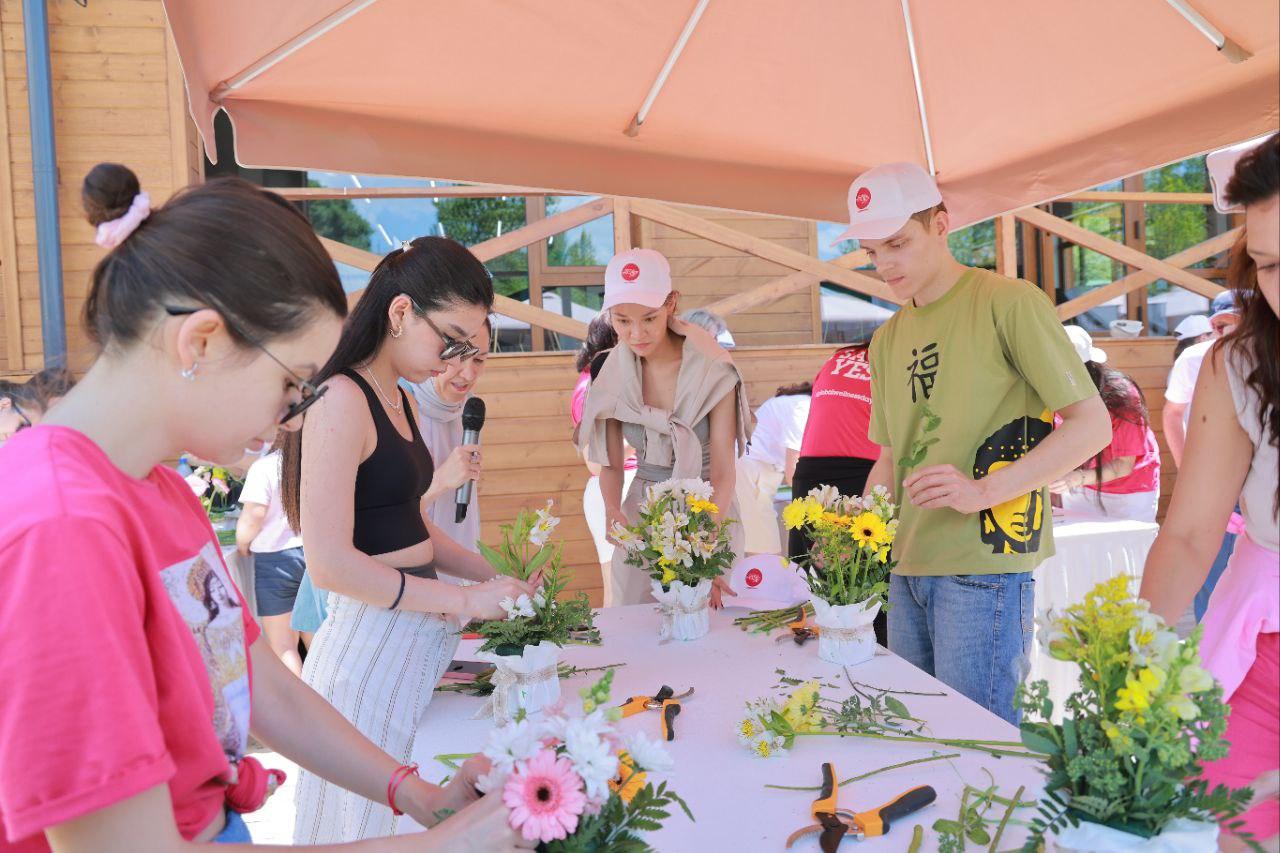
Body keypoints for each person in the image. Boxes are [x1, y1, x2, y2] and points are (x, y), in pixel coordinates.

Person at [0, 164, 527, 850]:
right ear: (203, 341)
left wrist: (415, 794)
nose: (292, 413)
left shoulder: (154, 488)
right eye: (294, 383)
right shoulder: (60, 529)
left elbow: (256, 680)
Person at [281, 236, 535, 844]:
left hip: (410, 642)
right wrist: (468, 601)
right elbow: (331, 565)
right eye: (450, 340)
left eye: (471, 350)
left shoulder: (395, 396)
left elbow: (408, 527)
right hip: (367, 649)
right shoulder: (342, 398)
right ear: (399, 313)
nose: (455, 362)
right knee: (363, 828)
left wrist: (487, 573)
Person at [852, 162, 1111, 725]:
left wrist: (982, 492)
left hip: (984, 566)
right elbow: (889, 457)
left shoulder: (1009, 302)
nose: (884, 263)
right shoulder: (886, 338)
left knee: (982, 750)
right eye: (872, 251)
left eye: (898, 243)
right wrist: (853, 548)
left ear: (941, 224)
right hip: (904, 568)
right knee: (923, 741)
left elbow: (1093, 425)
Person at [1139, 135, 1279, 848]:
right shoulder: (1242, 361)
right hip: (1264, 652)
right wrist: (1136, 669)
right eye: (1271, 264)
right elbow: (1192, 532)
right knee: (1243, 835)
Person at [577, 248, 751, 607]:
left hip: (707, 507)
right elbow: (609, 463)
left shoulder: (713, 367)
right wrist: (612, 509)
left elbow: (722, 473)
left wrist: (705, 546)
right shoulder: (609, 371)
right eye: (622, 321)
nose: (636, 333)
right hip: (642, 506)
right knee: (637, 622)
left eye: (649, 319)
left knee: (703, 625)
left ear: (672, 303)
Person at [786, 341, 887, 643]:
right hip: (860, 469)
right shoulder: (891, 357)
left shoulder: (839, 358)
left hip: (815, 470)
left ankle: (835, 649)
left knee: (820, 574)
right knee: (862, 579)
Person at [1165, 288, 1248, 620]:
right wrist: (1189, 474)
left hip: (1259, 485)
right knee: (1210, 573)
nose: (1227, 333)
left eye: (1236, 324)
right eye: (1220, 326)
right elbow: (1171, 415)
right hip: (1210, 484)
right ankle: (1204, 658)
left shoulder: (1267, 357)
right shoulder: (1194, 358)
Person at [1049, 326, 1161, 522]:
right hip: (1079, 486)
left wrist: (1076, 478)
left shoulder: (1122, 397)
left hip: (1130, 491)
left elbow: (1124, 466)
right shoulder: (1048, 392)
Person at [408, 316, 492, 563]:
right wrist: (442, 480)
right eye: (460, 357)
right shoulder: (400, 406)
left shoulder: (469, 409)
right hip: (412, 566)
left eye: (479, 359)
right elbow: (385, 515)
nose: (468, 373)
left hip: (459, 560)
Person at [571, 314, 639, 605]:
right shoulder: (593, 386)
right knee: (620, 590)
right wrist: (643, 442)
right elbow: (595, 461)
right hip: (616, 487)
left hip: (622, 487)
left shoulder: (598, 381)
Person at [236, 448, 310, 675]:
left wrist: (242, 543)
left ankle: (300, 708)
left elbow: (254, 514)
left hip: (276, 561)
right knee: (317, 643)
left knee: (284, 646)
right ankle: (325, 701)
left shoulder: (264, 466)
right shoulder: (311, 460)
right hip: (311, 555)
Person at [735, 382, 811, 555]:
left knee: (761, 545)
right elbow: (794, 471)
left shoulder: (801, 402)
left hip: (761, 469)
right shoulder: (803, 407)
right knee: (765, 548)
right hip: (751, 468)